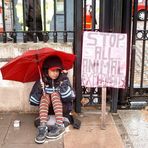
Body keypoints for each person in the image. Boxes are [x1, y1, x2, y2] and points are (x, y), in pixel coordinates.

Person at [29, 56, 75, 144]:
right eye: (53, 71)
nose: (55, 73)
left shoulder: (63, 79)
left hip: (63, 109)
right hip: (48, 112)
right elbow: (33, 101)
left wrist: (63, 82)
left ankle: (59, 125)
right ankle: (43, 127)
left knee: (54, 94)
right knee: (45, 96)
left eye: (57, 70)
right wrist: (39, 89)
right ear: (47, 71)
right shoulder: (41, 81)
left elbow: (69, 97)